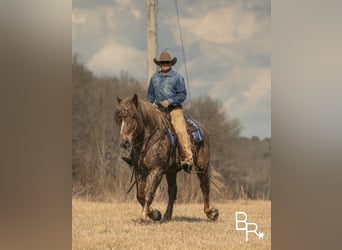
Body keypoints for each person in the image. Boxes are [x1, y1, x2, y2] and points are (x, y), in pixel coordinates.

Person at [146, 51, 193, 172]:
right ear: (160, 64)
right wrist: (148, 107)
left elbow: (182, 94)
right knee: (147, 129)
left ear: (171, 63)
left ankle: (187, 159)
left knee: (180, 130)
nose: (164, 65)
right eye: (162, 63)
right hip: (158, 111)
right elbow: (150, 96)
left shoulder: (177, 77)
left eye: (167, 63)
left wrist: (170, 101)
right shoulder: (154, 78)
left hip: (174, 110)